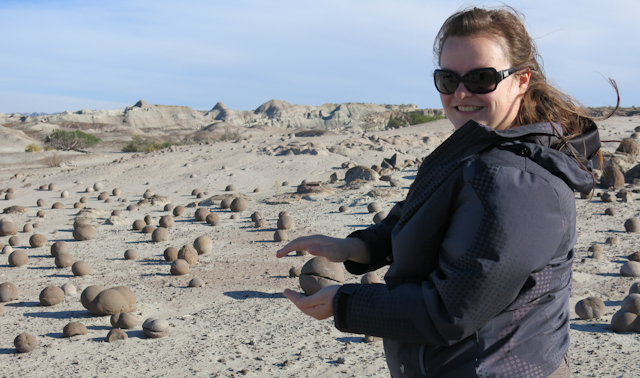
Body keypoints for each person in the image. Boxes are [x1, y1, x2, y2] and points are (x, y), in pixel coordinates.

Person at [276, 6, 617, 378]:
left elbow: (452, 310)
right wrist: (357, 248)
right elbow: (428, 218)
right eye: (447, 79)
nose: (461, 92)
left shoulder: (520, 182)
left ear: (521, 80)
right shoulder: (479, 150)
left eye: (481, 77)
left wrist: (343, 303)